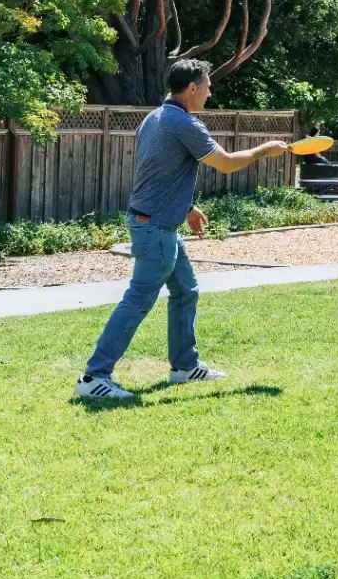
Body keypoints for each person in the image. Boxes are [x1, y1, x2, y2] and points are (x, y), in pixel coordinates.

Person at [76, 58, 289, 401]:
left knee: (186, 289)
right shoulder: (185, 124)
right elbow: (227, 164)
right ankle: (94, 377)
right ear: (191, 88)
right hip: (155, 228)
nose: (210, 90)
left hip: (160, 224)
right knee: (139, 300)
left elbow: (159, 170)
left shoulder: (155, 118)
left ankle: (184, 366)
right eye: (206, 84)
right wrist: (265, 149)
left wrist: (187, 208)